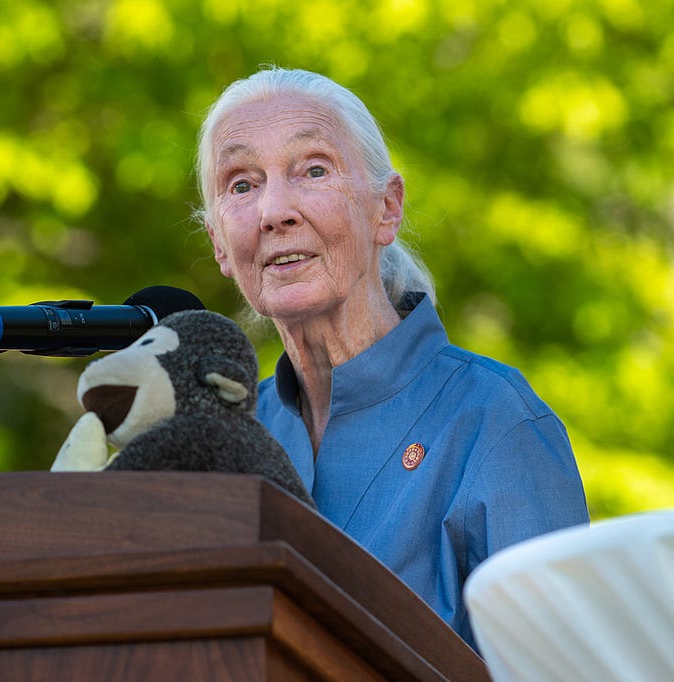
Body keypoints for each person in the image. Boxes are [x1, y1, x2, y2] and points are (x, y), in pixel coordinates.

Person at [195, 66, 588, 650]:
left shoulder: (494, 421)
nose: (274, 210)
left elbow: (564, 667)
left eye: (314, 170)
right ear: (220, 245)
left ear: (386, 208)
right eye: (242, 184)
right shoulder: (225, 440)